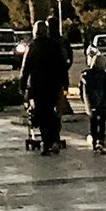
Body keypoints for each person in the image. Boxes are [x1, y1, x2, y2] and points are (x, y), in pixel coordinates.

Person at [24, 13, 71, 155]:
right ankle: (54, 140)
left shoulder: (32, 47)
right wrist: (65, 84)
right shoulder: (55, 45)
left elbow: (25, 69)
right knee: (52, 113)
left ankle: (46, 142)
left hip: (37, 86)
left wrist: (22, 87)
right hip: (54, 85)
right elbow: (63, 65)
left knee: (42, 114)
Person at [81, 47, 106, 152]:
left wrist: (86, 103)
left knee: (93, 122)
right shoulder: (104, 76)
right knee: (101, 122)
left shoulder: (86, 76)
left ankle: (94, 141)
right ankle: (100, 141)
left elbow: (83, 92)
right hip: (102, 104)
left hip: (91, 104)